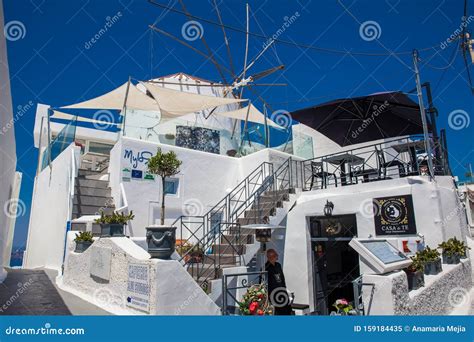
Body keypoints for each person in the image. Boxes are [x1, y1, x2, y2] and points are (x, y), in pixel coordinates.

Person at [265, 249, 292, 315]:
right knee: (278, 312)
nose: (277, 256)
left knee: (287, 309)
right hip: (273, 294)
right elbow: (264, 283)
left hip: (282, 292)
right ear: (271, 257)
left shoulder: (278, 265)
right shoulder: (266, 268)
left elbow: (282, 279)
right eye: (276, 255)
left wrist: (285, 289)